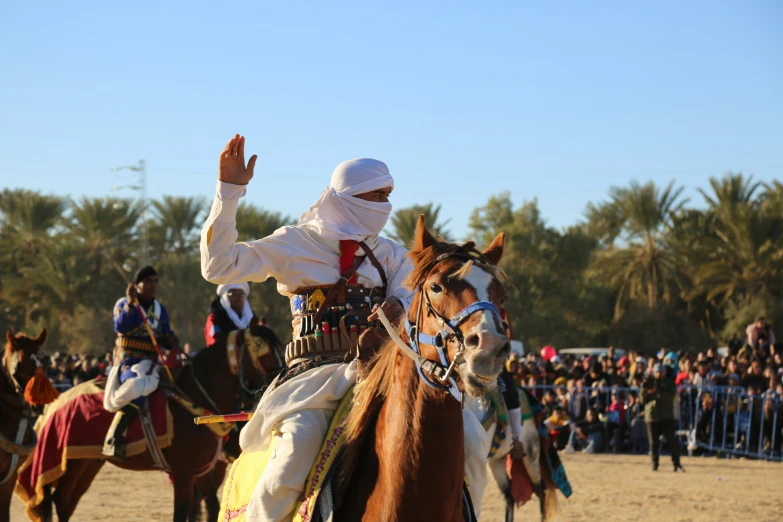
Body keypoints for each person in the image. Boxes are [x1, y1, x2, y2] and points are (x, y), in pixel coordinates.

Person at [199, 135, 491, 520]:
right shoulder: (294, 243)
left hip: (382, 374)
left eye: (388, 195)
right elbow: (219, 266)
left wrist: (398, 305)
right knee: (292, 455)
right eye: (375, 195)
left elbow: (416, 299)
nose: (385, 205)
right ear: (347, 195)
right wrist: (230, 191)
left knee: (470, 439)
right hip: (312, 378)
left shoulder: (390, 254)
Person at [102, 266, 179, 460]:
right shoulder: (125, 303)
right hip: (128, 362)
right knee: (136, 387)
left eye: (156, 281)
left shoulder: (160, 310)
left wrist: (170, 340)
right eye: (149, 281)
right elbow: (120, 326)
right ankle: (114, 437)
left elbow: (164, 333)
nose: (153, 285)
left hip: (152, 363)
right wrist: (130, 302)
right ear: (137, 285)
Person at [642, 363, 684, 472]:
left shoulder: (669, 383)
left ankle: (677, 464)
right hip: (652, 416)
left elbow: (671, 396)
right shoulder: (648, 382)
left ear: (664, 372)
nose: (659, 374)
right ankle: (654, 463)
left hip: (666, 416)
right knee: (653, 442)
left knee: (672, 441)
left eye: (661, 372)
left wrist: (658, 391)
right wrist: (649, 391)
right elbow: (642, 399)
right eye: (657, 372)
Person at [204, 282, 255, 346]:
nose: (238, 298)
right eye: (233, 294)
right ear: (225, 298)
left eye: (241, 294)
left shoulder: (251, 320)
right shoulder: (215, 318)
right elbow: (215, 344)